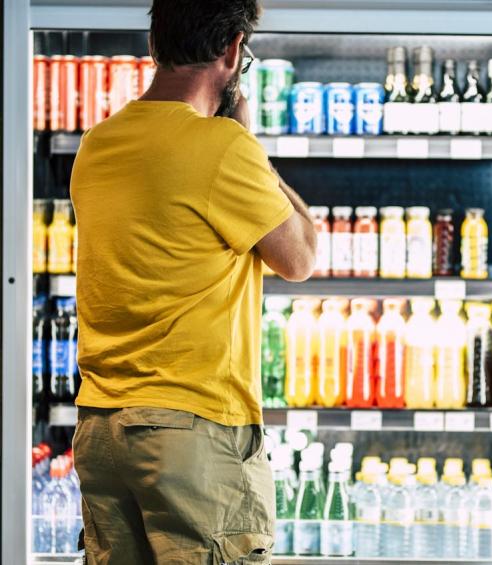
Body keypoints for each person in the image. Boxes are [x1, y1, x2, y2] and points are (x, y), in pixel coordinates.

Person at [69, 1, 316, 563]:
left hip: (103, 431)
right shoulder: (224, 147)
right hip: (191, 434)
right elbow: (299, 256)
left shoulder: (97, 143)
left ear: (156, 46)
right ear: (232, 50)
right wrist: (251, 149)